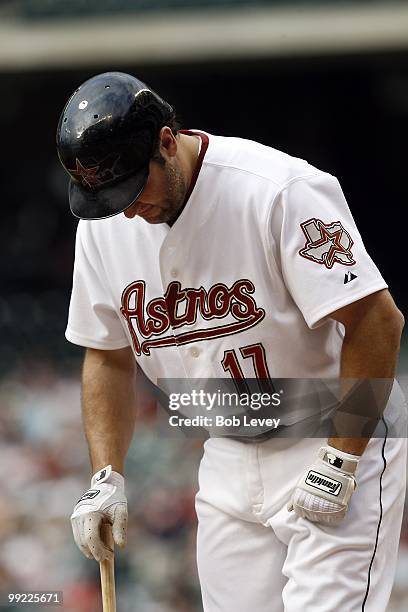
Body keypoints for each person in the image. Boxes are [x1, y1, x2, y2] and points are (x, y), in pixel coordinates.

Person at [57, 71, 407, 611]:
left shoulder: (277, 191)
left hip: (334, 432)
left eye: (130, 187)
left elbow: (377, 322)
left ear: (167, 142)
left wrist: (343, 458)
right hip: (225, 449)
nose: (125, 209)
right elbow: (106, 354)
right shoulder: (106, 223)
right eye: (105, 196)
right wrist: (107, 473)